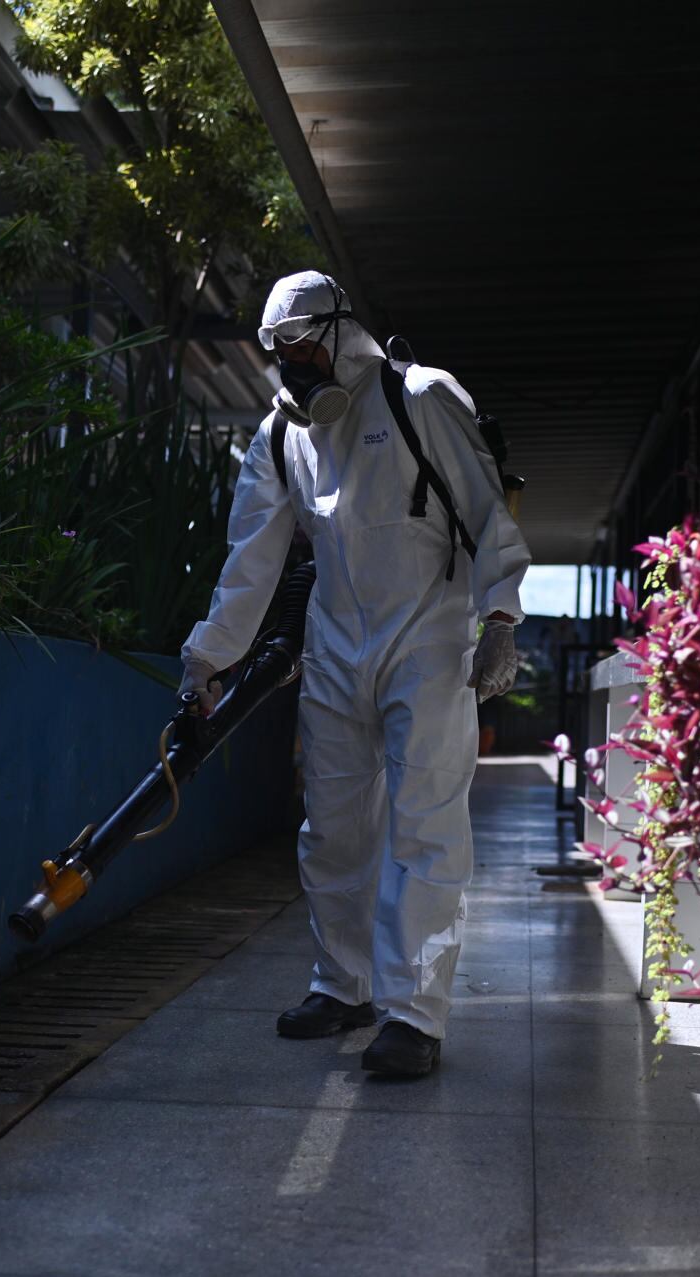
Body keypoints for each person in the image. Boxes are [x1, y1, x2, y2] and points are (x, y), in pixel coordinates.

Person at [178, 270, 531, 1078]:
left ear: (337, 332)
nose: (294, 366)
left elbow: (486, 511)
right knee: (332, 830)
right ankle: (343, 986)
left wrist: (502, 620)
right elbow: (252, 559)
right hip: (334, 645)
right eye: (281, 353)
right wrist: (208, 659)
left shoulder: (421, 396)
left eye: (303, 347)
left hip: (431, 642)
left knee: (424, 828)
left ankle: (413, 1015)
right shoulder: (280, 435)